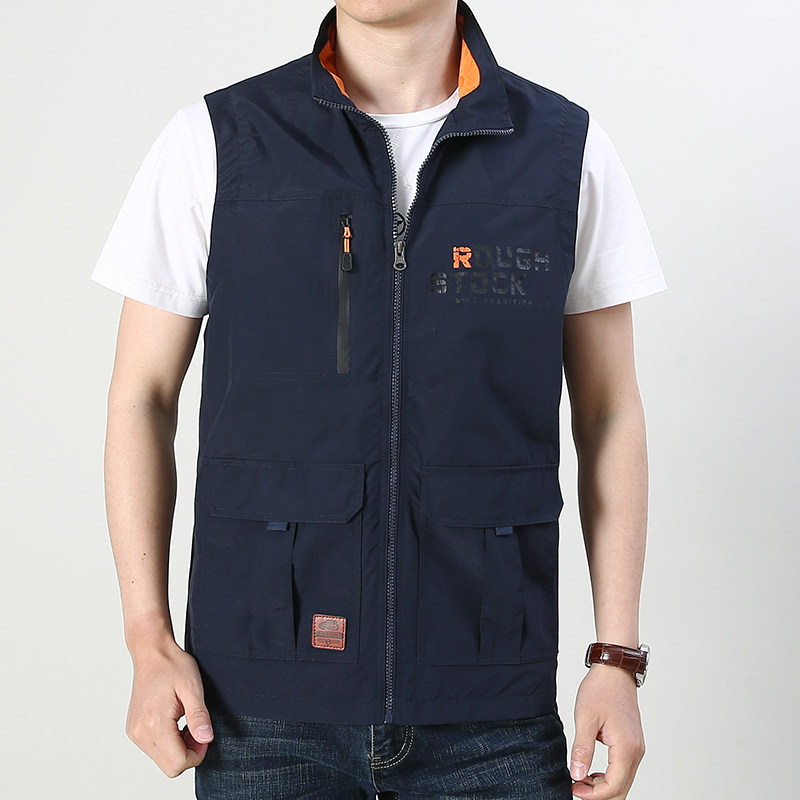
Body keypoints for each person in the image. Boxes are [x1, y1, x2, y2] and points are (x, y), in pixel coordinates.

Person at [92, 2, 665, 798]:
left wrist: (616, 657)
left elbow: (609, 414)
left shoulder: (564, 152)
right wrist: (147, 639)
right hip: (260, 707)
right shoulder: (218, 141)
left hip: (491, 707)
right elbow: (141, 397)